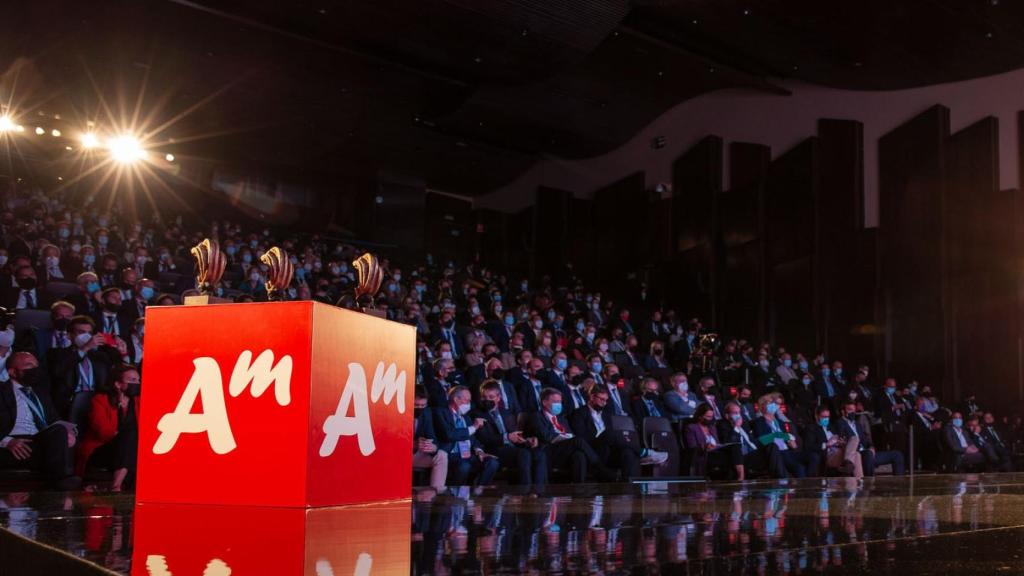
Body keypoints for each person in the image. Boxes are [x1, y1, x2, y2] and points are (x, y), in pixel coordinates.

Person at [0, 352, 80, 489]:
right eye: (29, 365)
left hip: (40, 440)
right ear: (12, 372)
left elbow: (54, 419)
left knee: (60, 431)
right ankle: (60, 482)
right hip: (14, 444)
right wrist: (6, 441)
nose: (35, 369)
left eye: (37, 365)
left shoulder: (40, 392)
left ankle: (59, 481)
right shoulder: (2, 390)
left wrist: (70, 432)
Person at [48, 316, 119, 432]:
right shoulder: (56, 354)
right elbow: (57, 371)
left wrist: (121, 351)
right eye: (81, 332)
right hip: (69, 403)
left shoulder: (100, 357)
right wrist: (85, 348)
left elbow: (117, 374)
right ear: (69, 336)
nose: (86, 336)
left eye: (89, 333)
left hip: (97, 403)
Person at [75, 364, 140, 491]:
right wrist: (120, 408)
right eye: (132, 380)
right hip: (102, 449)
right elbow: (103, 432)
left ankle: (117, 485)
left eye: (138, 380)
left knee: (132, 438)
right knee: (130, 435)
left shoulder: (139, 401)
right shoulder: (100, 400)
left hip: (129, 450)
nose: (137, 383)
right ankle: (116, 486)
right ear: (118, 384)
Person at [473, 381, 547, 487]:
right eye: (484, 397)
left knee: (539, 453)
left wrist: (527, 440)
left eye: (491, 397)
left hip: (513, 448)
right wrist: (506, 437)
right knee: (523, 454)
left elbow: (516, 433)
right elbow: (484, 439)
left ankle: (538, 492)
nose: (487, 400)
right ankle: (524, 491)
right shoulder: (476, 414)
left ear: (498, 397)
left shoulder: (506, 412)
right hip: (494, 450)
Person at [432, 386, 498, 486]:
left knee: (492, 462)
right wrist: (474, 427)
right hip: (451, 454)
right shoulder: (441, 413)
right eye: (467, 401)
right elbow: (449, 435)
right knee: (464, 465)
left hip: (467, 454)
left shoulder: (465, 417)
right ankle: (457, 495)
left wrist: (480, 451)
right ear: (456, 399)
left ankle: (479, 492)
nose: (469, 404)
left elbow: (473, 438)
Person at [836, 400, 905, 476]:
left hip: (867, 452)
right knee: (868, 454)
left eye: (854, 410)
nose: (853, 412)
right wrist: (867, 450)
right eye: (850, 410)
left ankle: (899, 481)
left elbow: (865, 441)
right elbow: (845, 441)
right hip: (857, 455)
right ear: (843, 411)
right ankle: (869, 482)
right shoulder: (840, 423)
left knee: (897, 455)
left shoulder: (857, 424)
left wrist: (871, 447)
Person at [751, 394, 810, 478]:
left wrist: (791, 442)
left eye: (773, 403)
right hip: (777, 453)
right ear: (762, 406)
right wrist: (781, 435)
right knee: (799, 468)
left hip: (788, 451)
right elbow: (762, 440)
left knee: (812, 457)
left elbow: (787, 438)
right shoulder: (759, 422)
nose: (773, 405)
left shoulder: (779, 421)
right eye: (770, 403)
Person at [719, 401, 776, 481]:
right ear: (727, 415)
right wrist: (736, 427)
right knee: (736, 446)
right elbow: (729, 441)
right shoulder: (723, 425)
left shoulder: (744, 424)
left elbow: (752, 439)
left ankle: (776, 476)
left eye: (739, 412)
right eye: (735, 413)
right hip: (741, 455)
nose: (738, 415)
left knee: (772, 445)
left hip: (752, 450)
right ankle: (741, 478)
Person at [802, 405, 863, 478]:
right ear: (816, 416)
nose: (826, 419)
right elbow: (808, 446)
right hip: (829, 454)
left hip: (840, 450)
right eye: (823, 417)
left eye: (827, 417)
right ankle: (859, 481)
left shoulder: (831, 426)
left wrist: (841, 442)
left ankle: (848, 464)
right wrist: (826, 444)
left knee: (854, 438)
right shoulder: (811, 428)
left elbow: (839, 438)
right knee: (856, 454)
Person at [412, 387, 447, 489]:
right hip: (396, 456)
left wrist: (433, 447)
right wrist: (413, 444)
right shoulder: (397, 411)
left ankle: (434, 492)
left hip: (415, 455)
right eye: (416, 405)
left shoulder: (426, 413)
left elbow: (432, 437)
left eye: (423, 405)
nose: (420, 408)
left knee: (442, 455)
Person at [684, 404, 723, 477]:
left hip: (715, 455)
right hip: (702, 455)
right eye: (708, 416)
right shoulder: (691, 428)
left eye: (711, 416)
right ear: (700, 416)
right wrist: (705, 446)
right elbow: (692, 446)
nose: (710, 419)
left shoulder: (712, 428)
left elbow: (717, 443)